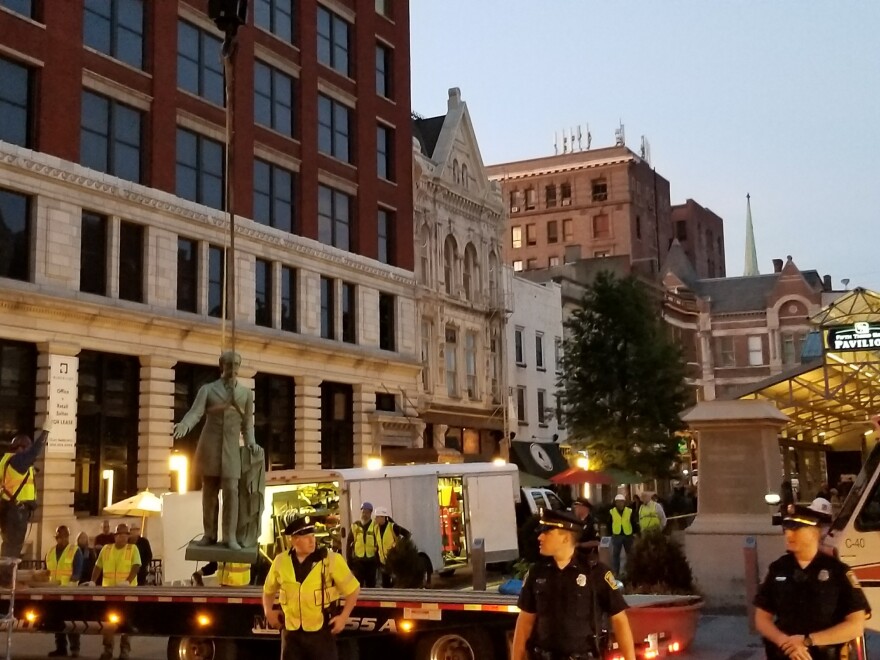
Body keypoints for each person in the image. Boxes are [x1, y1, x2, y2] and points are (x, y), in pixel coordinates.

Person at [512, 508, 636, 660]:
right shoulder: (537, 573)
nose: (540, 537)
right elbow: (525, 624)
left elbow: (619, 620)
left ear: (565, 538)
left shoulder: (596, 573)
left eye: (547, 532)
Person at [754, 503, 869, 660]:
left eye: (795, 529)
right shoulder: (779, 568)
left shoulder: (837, 571)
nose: (788, 535)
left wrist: (808, 640)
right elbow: (762, 618)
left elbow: (856, 625)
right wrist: (785, 642)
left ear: (815, 532)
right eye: (786, 529)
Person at [172, 351, 257, 550]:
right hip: (210, 444)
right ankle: (209, 534)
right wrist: (185, 425)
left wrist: (251, 441)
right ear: (222, 365)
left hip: (231, 448)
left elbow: (248, 423)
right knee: (209, 493)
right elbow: (195, 412)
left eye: (236, 364)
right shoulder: (208, 390)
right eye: (229, 364)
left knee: (231, 491)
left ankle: (230, 537)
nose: (233, 367)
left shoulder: (246, 394)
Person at [262, 515, 360, 660]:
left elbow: (353, 589)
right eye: (306, 537)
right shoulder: (280, 561)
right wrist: (267, 611)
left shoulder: (330, 560)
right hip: (291, 634)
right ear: (294, 540)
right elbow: (268, 590)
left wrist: (343, 617)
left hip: (320, 633)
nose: (312, 540)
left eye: (313, 535)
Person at [0, 416, 52, 558]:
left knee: (9, 547)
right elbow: (34, 453)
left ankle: (7, 576)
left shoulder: (8, 461)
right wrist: (45, 433)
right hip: (16, 512)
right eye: (26, 448)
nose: (28, 452)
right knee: (13, 549)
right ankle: (7, 578)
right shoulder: (17, 461)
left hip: (11, 510)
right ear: (20, 448)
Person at [90, 523, 141, 660]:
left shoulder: (133, 549)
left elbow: (136, 566)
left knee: (126, 622)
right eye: (120, 535)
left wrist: (128, 581)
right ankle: (108, 650)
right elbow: (98, 566)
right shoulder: (106, 549)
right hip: (109, 592)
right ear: (115, 536)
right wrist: (93, 581)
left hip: (127, 592)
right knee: (108, 623)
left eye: (125, 535)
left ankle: (124, 651)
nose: (123, 537)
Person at [46, 525, 83, 657]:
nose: (62, 539)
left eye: (65, 536)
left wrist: (70, 581)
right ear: (56, 537)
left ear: (68, 536)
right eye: (59, 537)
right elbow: (47, 572)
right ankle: (61, 648)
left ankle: (75, 649)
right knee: (58, 621)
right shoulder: (50, 552)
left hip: (70, 593)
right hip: (54, 593)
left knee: (71, 622)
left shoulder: (75, 550)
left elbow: (77, 573)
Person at [372, 506, 410, 588]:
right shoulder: (376, 529)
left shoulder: (392, 527)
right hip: (383, 563)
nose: (375, 519)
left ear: (383, 517)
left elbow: (407, 534)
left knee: (396, 584)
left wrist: (399, 545)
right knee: (386, 585)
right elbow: (377, 545)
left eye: (377, 517)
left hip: (393, 561)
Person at [347, 502, 377, 588]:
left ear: (371, 513)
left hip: (371, 561)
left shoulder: (375, 526)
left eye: (367, 512)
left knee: (371, 586)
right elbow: (349, 545)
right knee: (358, 586)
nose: (365, 514)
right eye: (363, 512)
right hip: (358, 562)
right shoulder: (355, 526)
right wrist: (349, 561)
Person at [609, 494, 636, 577]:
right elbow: (609, 523)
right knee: (616, 555)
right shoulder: (612, 511)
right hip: (617, 535)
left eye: (621, 502)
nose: (620, 504)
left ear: (624, 502)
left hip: (628, 535)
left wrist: (635, 533)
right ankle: (616, 573)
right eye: (618, 502)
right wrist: (610, 533)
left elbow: (633, 522)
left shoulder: (629, 511)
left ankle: (631, 572)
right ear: (615, 503)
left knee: (630, 554)